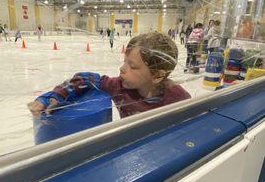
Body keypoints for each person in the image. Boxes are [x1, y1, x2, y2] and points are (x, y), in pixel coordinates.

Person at [28, 32, 191, 119]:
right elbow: (85, 79)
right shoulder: (119, 86)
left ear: (157, 75)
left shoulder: (177, 98)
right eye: (124, 61)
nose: (122, 69)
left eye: (132, 66)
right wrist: (55, 96)